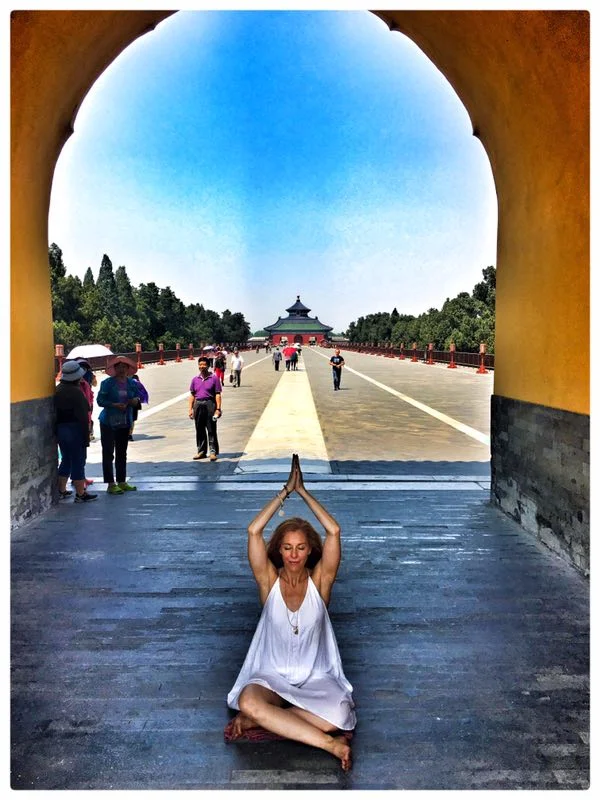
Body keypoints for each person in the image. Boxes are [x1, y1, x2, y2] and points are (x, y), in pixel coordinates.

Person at [225, 454, 355, 771]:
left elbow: (334, 531)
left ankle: (259, 722)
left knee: (340, 715)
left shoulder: (320, 583)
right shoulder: (268, 582)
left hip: (316, 678)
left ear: (311, 549)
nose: (294, 555)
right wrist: (285, 492)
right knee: (249, 701)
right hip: (271, 677)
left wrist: (304, 492)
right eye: (287, 547)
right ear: (278, 550)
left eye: (300, 547)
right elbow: (254, 531)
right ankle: (328, 744)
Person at [97, 355, 142, 495]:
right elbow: (100, 401)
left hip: (124, 421)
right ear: (114, 368)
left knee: (122, 452)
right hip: (108, 422)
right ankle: (111, 483)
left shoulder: (132, 383)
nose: (121, 369)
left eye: (124, 367)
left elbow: (137, 397)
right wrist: (114, 405)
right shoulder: (107, 383)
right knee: (108, 452)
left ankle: (122, 481)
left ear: (128, 369)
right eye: (119, 367)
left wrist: (133, 401)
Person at [54, 360, 97, 503]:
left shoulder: (58, 389)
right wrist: (86, 436)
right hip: (75, 429)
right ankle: (80, 493)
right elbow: (84, 414)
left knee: (66, 459)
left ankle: (61, 490)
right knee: (78, 460)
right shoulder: (76, 392)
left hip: (61, 429)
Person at [188, 355, 222, 461]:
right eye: (200, 364)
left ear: (208, 366)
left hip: (210, 404)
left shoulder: (214, 378)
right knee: (199, 429)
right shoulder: (195, 379)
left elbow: (217, 394)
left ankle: (213, 451)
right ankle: (201, 451)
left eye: (204, 364)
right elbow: (192, 395)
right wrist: (190, 409)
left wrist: (218, 409)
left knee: (211, 429)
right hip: (197, 405)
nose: (202, 366)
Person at [129, 373, 149, 440]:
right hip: (126, 402)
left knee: (132, 419)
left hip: (133, 402)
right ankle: (128, 434)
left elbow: (140, 389)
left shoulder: (135, 378)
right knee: (129, 419)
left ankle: (129, 434)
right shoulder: (119, 378)